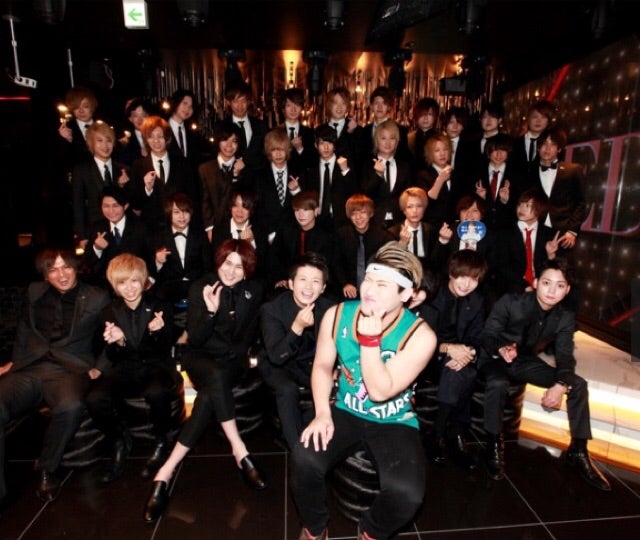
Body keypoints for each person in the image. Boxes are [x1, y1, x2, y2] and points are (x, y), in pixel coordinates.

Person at [291, 241, 437, 540]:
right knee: (304, 459)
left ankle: (369, 532)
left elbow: (380, 391)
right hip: (345, 409)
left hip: (393, 420)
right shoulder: (336, 314)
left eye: (382, 285)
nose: (369, 290)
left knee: (407, 494)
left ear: (406, 294)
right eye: (368, 279)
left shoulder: (421, 336)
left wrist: (370, 341)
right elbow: (322, 366)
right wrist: (322, 413)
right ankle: (315, 528)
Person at [143, 239, 266, 524]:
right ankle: (240, 450)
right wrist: (210, 311)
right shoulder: (201, 286)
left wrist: (242, 356)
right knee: (215, 378)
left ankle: (165, 472)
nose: (231, 271)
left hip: (231, 361)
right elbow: (196, 338)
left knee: (211, 392)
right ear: (219, 261)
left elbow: (250, 333)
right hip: (200, 357)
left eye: (239, 266)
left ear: (247, 270)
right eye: (227, 263)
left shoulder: (254, 291)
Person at [479, 258, 611, 491]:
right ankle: (493, 443)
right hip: (493, 358)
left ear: (567, 290)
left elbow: (565, 356)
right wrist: (501, 348)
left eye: (560, 286)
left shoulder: (564, 316)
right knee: (498, 382)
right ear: (536, 282)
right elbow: (487, 335)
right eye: (547, 283)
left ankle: (578, 450)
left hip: (524, 362)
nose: (551, 291)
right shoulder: (511, 302)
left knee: (578, 384)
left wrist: (560, 384)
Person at [0, 248, 109, 504]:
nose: (62, 275)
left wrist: (100, 367)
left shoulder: (96, 297)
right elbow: (24, 329)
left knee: (70, 406)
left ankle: (48, 467)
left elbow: (113, 334)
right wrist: (14, 363)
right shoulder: (34, 291)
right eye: (53, 269)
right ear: (45, 274)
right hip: (30, 367)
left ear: (76, 268)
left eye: (67, 267)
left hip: (69, 369)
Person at [86, 254, 180, 483]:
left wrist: (157, 332)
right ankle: (119, 440)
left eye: (134, 281)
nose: (129, 288)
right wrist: (119, 342)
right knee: (94, 398)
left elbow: (167, 346)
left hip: (155, 365)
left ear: (143, 280)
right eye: (122, 283)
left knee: (156, 392)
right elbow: (110, 354)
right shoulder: (109, 312)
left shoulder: (160, 306)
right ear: (114, 285)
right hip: (125, 368)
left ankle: (161, 441)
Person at [417, 250, 487, 472]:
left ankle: (439, 434)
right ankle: (455, 431)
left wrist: (468, 353)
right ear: (451, 273)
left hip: (460, 358)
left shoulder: (477, 301)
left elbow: (478, 337)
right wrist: (449, 349)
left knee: (462, 371)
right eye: (462, 276)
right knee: (460, 372)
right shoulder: (433, 295)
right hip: (429, 355)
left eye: (473, 279)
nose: (467, 284)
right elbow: (420, 336)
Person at [258, 252, 335, 451]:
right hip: (279, 363)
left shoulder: (330, 309)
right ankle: (297, 450)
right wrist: (297, 328)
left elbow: (340, 344)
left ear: (323, 288)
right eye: (303, 280)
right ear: (291, 284)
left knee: (338, 385)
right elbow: (276, 356)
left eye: (315, 281)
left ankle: (324, 437)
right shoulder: (272, 309)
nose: (308, 287)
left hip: (311, 363)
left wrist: (338, 368)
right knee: (287, 389)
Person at [130, 115, 193, 233]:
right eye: (151, 137)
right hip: (150, 230)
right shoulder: (138, 165)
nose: (156, 141)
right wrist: (147, 189)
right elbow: (135, 204)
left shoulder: (182, 164)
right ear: (146, 140)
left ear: (167, 138)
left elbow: (191, 197)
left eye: (160, 136)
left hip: (179, 227)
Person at [72, 121, 130, 248]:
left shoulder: (124, 170)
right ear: (91, 143)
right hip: (93, 232)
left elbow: (129, 204)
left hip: (121, 232)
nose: (105, 145)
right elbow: (78, 205)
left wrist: (122, 186)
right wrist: (82, 236)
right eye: (99, 140)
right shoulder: (82, 170)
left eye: (108, 140)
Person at [528, 126, 587, 250]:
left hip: (563, 234)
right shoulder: (528, 172)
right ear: (538, 147)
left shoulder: (573, 170)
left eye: (553, 144)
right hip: (535, 230)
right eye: (544, 144)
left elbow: (581, 203)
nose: (547, 148)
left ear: (559, 149)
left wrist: (572, 231)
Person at [493, 189, 559, 296]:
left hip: (542, 287)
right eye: (520, 204)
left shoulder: (550, 234)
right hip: (514, 287)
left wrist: (551, 255)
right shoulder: (505, 233)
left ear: (540, 209)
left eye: (528, 205)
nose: (521, 209)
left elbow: (557, 269)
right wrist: (524, 285)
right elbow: (502, 265)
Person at [84, 186, 154, 288]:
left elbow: (151, 258)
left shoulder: (141, 227)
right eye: (106, 206)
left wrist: (149, 280)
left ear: (125, 206)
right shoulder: (97, 227)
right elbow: (87, 262)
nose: (111, 211)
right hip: (104, 286)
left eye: (115, 206)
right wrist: (97, 248)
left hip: (134, 285)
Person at [268, 191, 333, 291]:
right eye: (297, 210)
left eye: (306, 210)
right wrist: (282, 278)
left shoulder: (325, 235)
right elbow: (275, 257)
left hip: (314, 283)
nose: (300, 214)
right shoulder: (286, 230)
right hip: (286, 281)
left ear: (316, 210)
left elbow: (326, 265)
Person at [332, 194, 393, 300]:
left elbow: (389, 265)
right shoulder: (341, 235)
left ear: (370, 213)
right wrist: (345, 283)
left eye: (363, 212)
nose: (358, 217)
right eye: (354, 214)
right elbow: (336, 263)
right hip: (349, 289)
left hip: (377, 289)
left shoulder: (384, 237)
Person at [199, 123, 248, 242]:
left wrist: (236, 175)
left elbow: (245, 201)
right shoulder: (204, 169)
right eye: (225, 140)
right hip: (212, 229)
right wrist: (209, 227)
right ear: (218, 141)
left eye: (234, 141)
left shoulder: (246, 169)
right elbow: (204, 201)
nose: (229, 145)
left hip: (238, 228)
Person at [253, 127, 303, 243]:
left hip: (293, 234)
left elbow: (305, 205)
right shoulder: (260, 175)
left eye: (282, 149)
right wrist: (269, 233)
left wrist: (296, 190)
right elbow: (257, 209)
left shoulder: (298, 171)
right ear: (268, 151)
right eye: (274, 150)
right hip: (266, 235)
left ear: (288, 150)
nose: (278, 154)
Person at [304, 125, 358, 231]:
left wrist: (345, 171)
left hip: (340, 221)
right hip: (316, 221)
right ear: (316, 145)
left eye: (329, 142)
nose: (326, 147)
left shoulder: (345, 164)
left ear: (335, 145)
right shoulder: (311, 168)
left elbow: (355, 193)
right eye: (322, 143)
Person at [362, 119, 413, 229]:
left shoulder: (405, 167)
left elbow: (409, 195)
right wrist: (378, 175)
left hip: (400, 223)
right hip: (374, 222)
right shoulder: (367, 165)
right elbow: (364, 195)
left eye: (392, 138)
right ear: (376, 141)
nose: (388, 143)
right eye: (383, 138)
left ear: (397, 141)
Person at [473, 132, 523, 230]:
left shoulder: (517, 175)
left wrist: (506, 200)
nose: (499, 154)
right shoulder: (476, 173)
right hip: (482, 227)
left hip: (507, 228)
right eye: (495, 149)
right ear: (488, 152)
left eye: (503, 150)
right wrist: (479, 199)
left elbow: (521, 204)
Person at [387, 187, 442, 275]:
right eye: (410, 207)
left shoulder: (431, 230)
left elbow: (436, 262)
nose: (415, 211)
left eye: (419, 206)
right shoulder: (393, 232)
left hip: (426, 276)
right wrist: (402, 243)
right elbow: (391, 262)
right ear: (404, 210)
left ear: (424, 208)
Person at [221, 83, 268, 172]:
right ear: (229, 102)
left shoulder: (260, 125)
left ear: (248, 102)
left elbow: (266, 153)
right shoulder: (222, 126)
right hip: (232, 176)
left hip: (257, 176)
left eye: (243, 101)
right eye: (235, 101)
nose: (240, 105)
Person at [318, 86, 362, 176]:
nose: (339, 107)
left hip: (348, 179)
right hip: (326, 177)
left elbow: (359, 158)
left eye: (343, 103)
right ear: (329, 105)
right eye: (335, 103)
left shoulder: (358, 130)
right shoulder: (319, 130)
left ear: (348, 106)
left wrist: (349, 133)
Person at [511, 99, 555, 178]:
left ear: (548, 121)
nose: (538, 121)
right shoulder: (514, 143)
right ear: (528, 119)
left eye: (543, 117)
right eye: (535, 117)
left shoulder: (552, 145)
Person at [280, 87, 317, 170]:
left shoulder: (310, 133)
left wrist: (300, 149)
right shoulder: (275, 132)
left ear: (301, 108)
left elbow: (313, 163)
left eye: (297, 105)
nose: (293, 109)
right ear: (283, 108)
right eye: (289, 105)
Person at [116, 97, 153, 167]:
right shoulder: (125, 144)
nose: (140, 119)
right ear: (130, 119)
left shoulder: (158, 138)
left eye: (143, 115)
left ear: (149, 116)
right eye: (135, 116)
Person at [407, 97, 439, 172]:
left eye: (429, 114)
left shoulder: (440, 138)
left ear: (435, 117)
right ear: (416, 116)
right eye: (422, 114)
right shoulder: (408, 138)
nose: (425, 118)